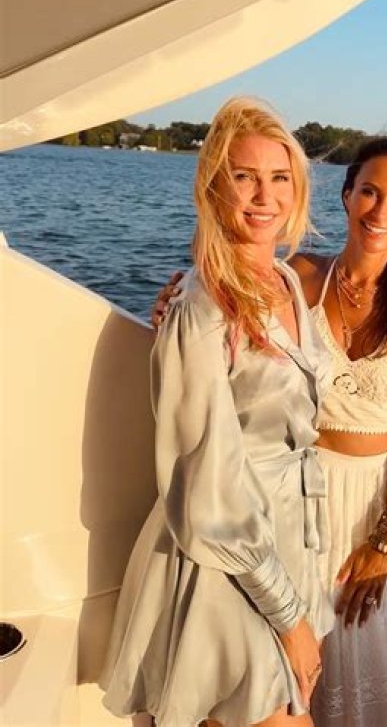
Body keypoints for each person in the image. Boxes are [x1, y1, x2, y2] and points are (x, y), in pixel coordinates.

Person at [153, 136, 387, 727]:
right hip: (302, 500)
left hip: (386, 503)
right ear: (346, 195)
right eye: (370, 192)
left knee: (369, 662)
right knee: (303, 665)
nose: (382, 212)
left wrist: (384, 543)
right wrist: (173, 302)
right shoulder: (299, 278)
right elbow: (230, 322)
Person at [100, 97, 335, 727]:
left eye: (279, 177)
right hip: (226, 563)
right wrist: (288, 616)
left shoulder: (287, 281)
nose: (265, 196)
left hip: (285, 545)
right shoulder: (201, 308)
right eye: (244, 176)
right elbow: (206, 481)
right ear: (213, 187)